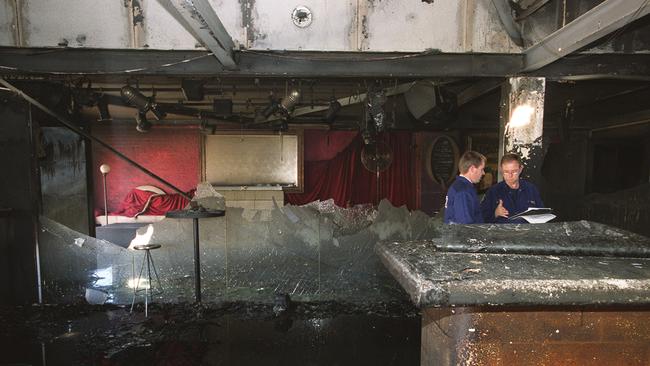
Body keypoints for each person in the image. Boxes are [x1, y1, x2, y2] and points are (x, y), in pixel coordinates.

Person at [480, 153, 544, 223]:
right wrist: (495, 214)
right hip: (502, 233)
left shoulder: (531, 189)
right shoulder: (493, 192)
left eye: (514, 171)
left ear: (520, 169)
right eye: (506, 172)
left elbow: (542, 215)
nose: (510, 176)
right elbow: (481, 219)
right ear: (501, 170)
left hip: (527, 232)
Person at [443, 151, 486, 224]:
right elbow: (465, 226)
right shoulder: (463, 191)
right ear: (472, 169)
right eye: (481, 169)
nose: (483, 173)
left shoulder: (459, 186)